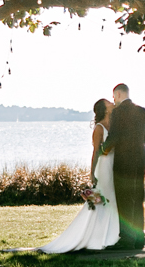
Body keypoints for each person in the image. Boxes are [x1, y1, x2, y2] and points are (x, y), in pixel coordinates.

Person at [38, 97, 120, 254]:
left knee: (112, 200)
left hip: (113, 166)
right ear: (104, 109)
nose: (112, 103)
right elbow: (96, 152)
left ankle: (110, 236)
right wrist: (92, 173)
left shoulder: (114, 125)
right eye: (108, 103)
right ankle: (93, 236)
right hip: (103, 168)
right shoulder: (99, 128)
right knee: (100, 201)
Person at [104, 82, 145, 249]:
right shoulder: (142, 111)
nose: (113, 100)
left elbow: (114, 136)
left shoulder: (118, 112)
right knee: (137, 199)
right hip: (140, 158)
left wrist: (103, 148)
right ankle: (139, 239)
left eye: (113, 96)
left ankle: (126, 240)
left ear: (117, 95)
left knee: (124, 199)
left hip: (124, 160)